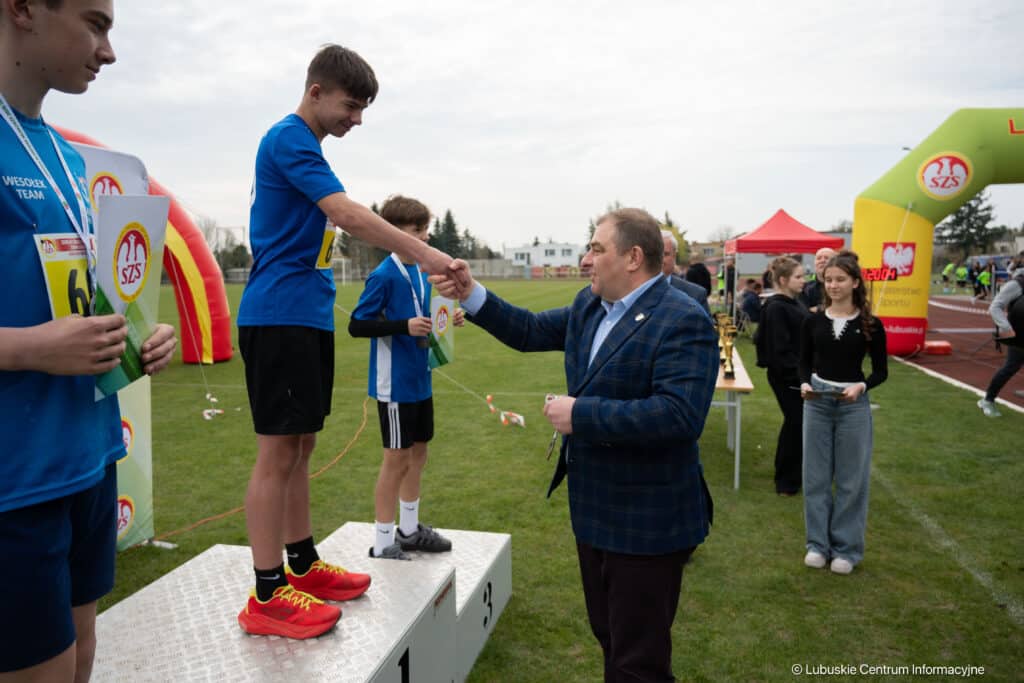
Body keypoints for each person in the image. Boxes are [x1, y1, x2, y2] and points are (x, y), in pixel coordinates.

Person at [235, 44, 462, 639]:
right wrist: (429, 253)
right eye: (351, 106)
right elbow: (350, 215)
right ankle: (266, 593)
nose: (356, 120)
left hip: (305, 316)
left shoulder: (307, 146)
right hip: (278, 315)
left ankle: (302, 566)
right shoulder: (288, 138)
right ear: (315, 93)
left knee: (303, 447)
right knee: (277, 454)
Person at [433, 208, 717, 682]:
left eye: (596, 248)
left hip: (647, 519)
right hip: (594, 511)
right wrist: (471, 293)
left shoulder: (682, 318)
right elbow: (526, 330)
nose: (586, 259)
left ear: (632, 257)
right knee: (609, 636)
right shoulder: (590, 306)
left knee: (638, 660)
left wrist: (580, 414)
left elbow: (679, 415)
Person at [0, 1, 177, 679]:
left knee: (82, 660)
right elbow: (41, 333)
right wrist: (29, 348)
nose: (108, 52)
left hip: (91, 456)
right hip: (17, 480)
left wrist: (138, 336)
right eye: (95, 23)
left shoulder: (70, 158)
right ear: (21, 9)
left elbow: (78, 293)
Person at [348, 195, 464, 560]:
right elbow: (356, 324)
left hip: (421, 378)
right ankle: (383, 542)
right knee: (395, 460)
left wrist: (448, 320)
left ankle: (410, 530)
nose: (425, 238)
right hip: (394, 385)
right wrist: (404, 326)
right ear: (394, 234)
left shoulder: (419, 270)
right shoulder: (383, 275)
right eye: (417, 231)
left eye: (426, 230)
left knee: (419, 454)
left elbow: (427, 313)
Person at [799, 251, 887, 575]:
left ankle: (847, 550)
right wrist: (805, 384)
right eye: (829, 279)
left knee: (852, 480)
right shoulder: (812, 320)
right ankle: (817, 545)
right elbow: (804, 362)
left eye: (840, 279)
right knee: (816, 477)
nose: (833, 285)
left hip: (853, 407)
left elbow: (880, 371)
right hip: (817, 403)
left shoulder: (871, 324)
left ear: (855, 282)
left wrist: (861, 387)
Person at [754, 257, 809, 496]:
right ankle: (786, 481)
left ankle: (793, 475)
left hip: (799, 374)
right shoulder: (776, 307)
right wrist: (799, 376)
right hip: (787, 377)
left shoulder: (794, 303)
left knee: (798, 425)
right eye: (798, 277)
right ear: (783, 280)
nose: (803, 281)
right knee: (795, 423)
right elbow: (779, 349)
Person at [977, 265, 1024, 418]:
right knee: (1011, 367)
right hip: (1019, 335)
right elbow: (995, 306)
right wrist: (1006, 328)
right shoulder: (1017, 284)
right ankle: (988, 400)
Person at [661, 230, 710, 314]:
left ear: (674, 256)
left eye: (665, 254)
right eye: (654, 254)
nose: (660, 259)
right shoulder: (633, 290)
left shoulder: (695, 295)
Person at [799, 247, 837, 313]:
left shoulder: (841, 283)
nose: (822, 261)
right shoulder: (805, 285)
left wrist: (818, 309)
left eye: (826, 258)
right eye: (818, 258)